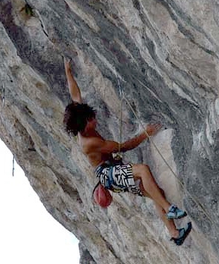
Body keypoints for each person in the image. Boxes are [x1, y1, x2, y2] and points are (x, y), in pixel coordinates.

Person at [62, 58, 191, 245]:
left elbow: (75, 94)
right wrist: (145, 134)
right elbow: (125, 146)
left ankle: (175, 233)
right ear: (83, 126)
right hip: (107, 174)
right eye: (91, 121)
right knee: (143, 170)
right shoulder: (90, 143)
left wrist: (68, 71)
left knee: (155, 191)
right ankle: (169, 208)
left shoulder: (79, 117)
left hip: (111, 170)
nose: (95, 121)